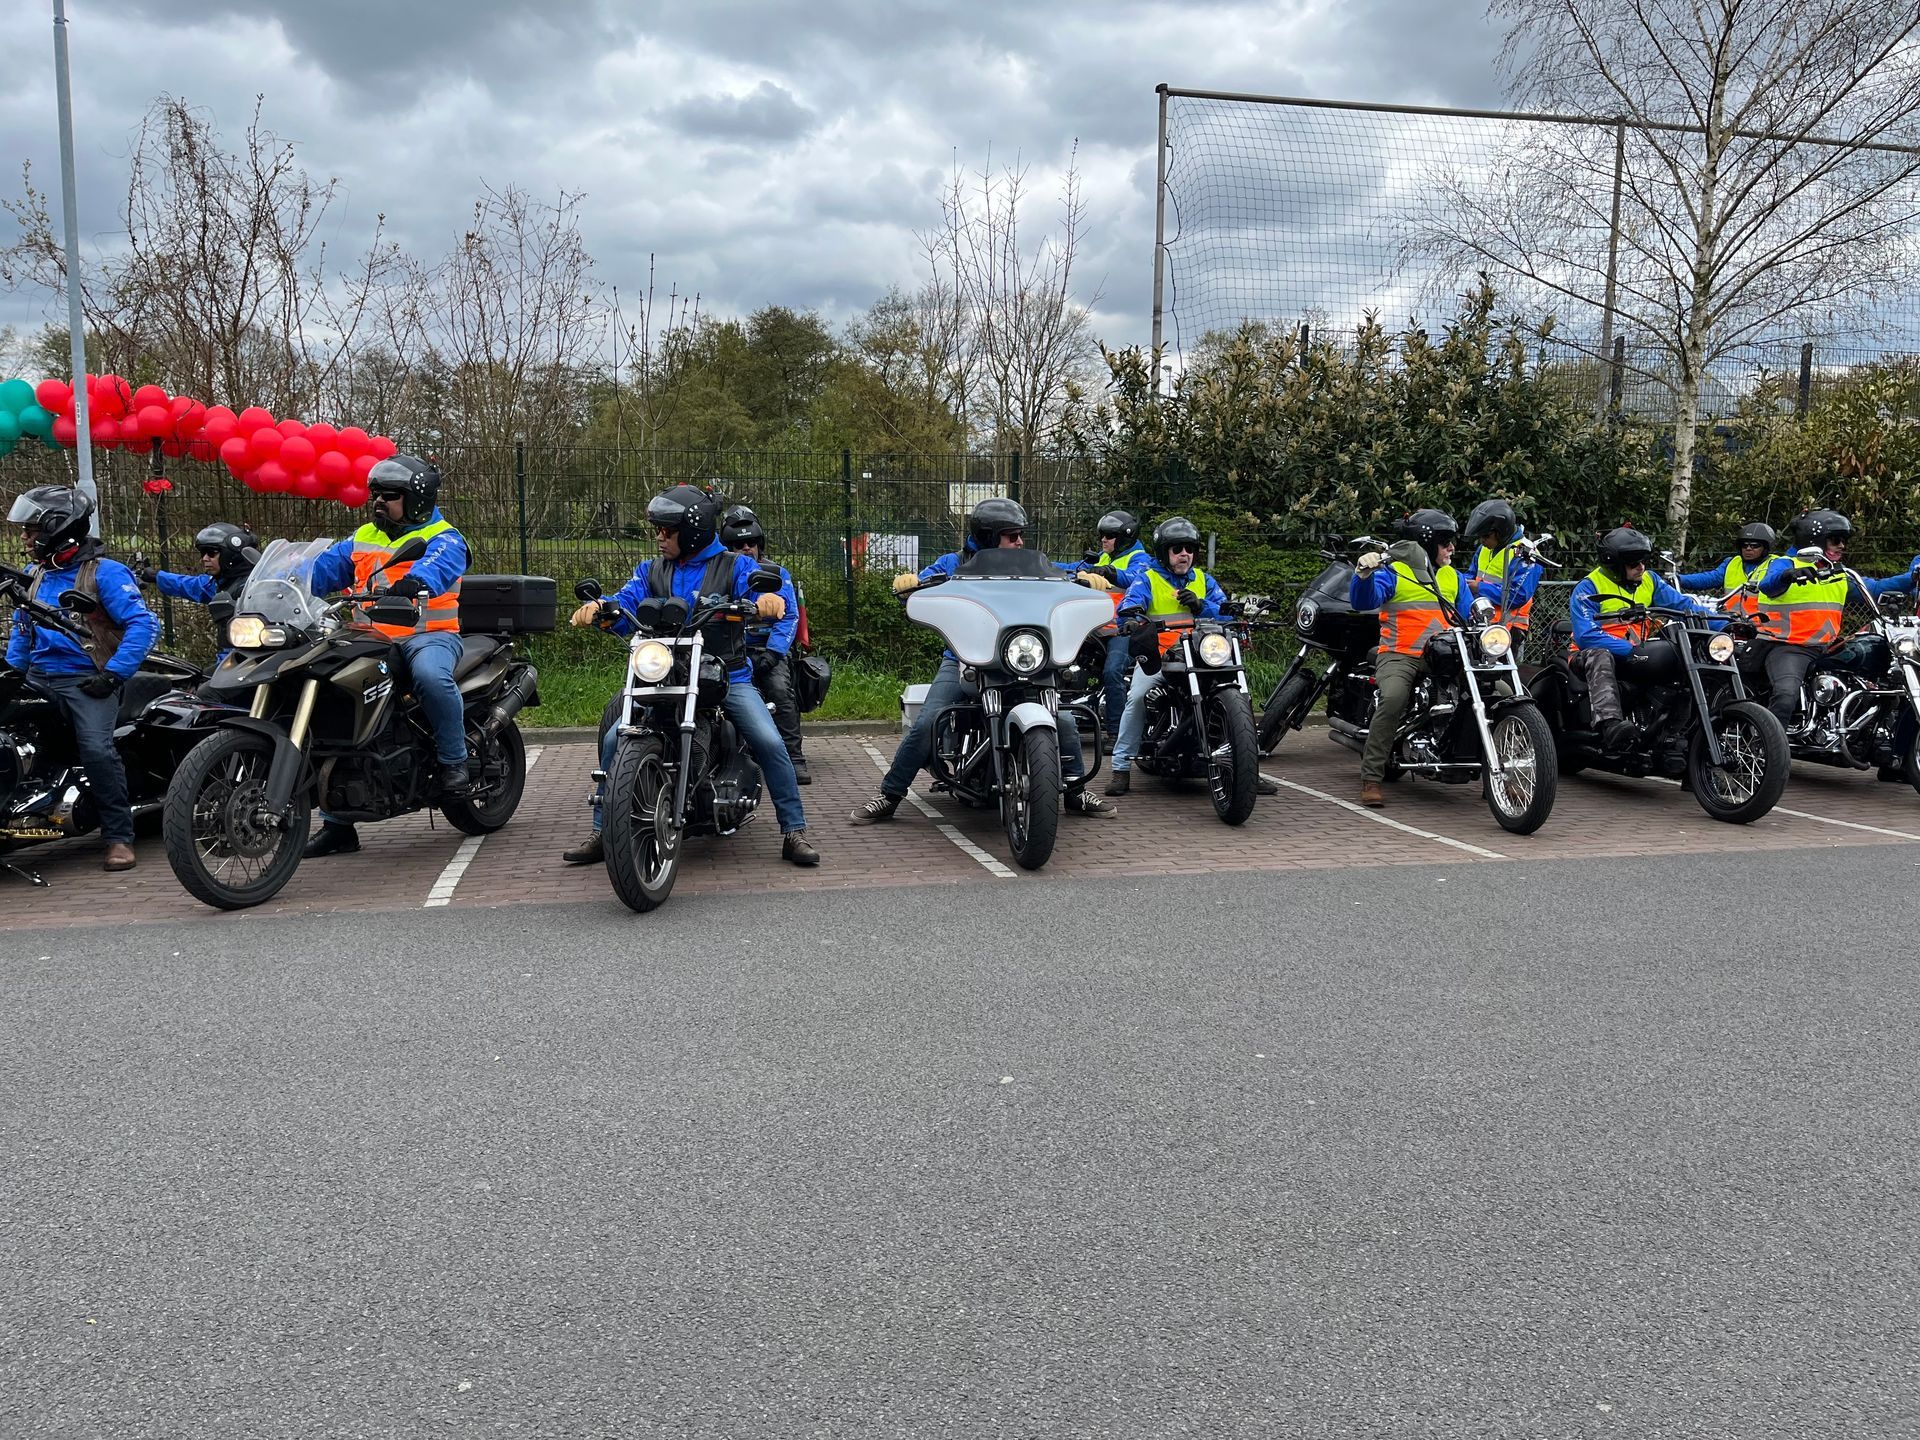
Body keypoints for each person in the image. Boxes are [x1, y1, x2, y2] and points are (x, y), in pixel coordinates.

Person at [563, 484, 819, 867]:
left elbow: (769, 592)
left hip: (726, 674)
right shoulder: (651, 570)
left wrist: (769, 600)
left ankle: (793, 830)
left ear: (694, 531)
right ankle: (604, 830)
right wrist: (601, 608)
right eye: (658, 530)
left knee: (769, 740)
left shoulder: (735, 565)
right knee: (616, 737)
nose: (659, 538)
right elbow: (627, 600)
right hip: (664, 673)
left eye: (667, 531)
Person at [848, 497, 1119, 824]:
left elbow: (1063, 570)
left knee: (1063, 719)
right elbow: (926, 579)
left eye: (1020, 535)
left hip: (1023, 657)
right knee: (929, 720)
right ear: (990, 537)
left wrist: (1086, 576)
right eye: (1011, 535)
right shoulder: (954, 564)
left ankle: (1075, 792)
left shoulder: (1032, 568)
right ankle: (889, 795)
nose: (1019, 542)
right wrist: (911, 584)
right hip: (965, 659)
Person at [303, 456, 471, 859]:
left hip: (427, 636)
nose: (379, 503)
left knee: (431, 678)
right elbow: (322, 570)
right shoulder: (363, 536)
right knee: (328, 694)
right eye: (375, 495)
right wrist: (285, 574)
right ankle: (338, 824)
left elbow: (440, 565)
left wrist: (416, 582)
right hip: (366, 637)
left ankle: (454, 761)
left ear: (416, 499)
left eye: (390, 496)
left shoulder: (444, 536)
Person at [5, 484, 159, 871]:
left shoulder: (105, 573)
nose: (24, 538)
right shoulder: (33, 574)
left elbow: (143, 625)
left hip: (86, 679)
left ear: (58, 529)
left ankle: (119, 837)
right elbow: (23, 632)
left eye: (31, 530)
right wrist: (10, 676)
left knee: (95, 749)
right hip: (38, 676)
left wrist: (112, 676)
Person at [1100, 517, 1276, 799]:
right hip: (1162, 654)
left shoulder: (1203, 580)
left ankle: (1248, 770)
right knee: (1136, 697)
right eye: (1177, 548)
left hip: (1204, 653)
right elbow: (1130, 605)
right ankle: (1121, 768)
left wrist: (1202, 605)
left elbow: (1226, 611)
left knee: (1242, 696)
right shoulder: (1149, 578)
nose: (1185, 554)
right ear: (1163, 553)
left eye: (1190, 549)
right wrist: (1133, 618)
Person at [1347, 509, 1464, 808]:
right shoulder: (1394, 571)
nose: (1451, 548)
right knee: (1394, 698)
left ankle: (1504, 774)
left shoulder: (1453, 575)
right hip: (1402, 654)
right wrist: (1363, 575)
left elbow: (1471, 611)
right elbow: (1364, 602)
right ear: (1426, 543)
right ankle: (1372, 777)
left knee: (1499, 693)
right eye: (1445, 541)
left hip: (1447, 656)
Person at [1746, 508, 1896, 733]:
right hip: (1789, 647)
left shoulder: (1838, 573)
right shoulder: (1785, 564)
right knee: (1786, 695)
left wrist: (1912, 578)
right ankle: (1764, 749)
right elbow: (1768, 585)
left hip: (1827, 648)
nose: (1842, 546)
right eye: (1836, 540)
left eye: (1844, 541)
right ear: (1814, 539)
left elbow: (1875, 588)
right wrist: (1787, 577)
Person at [1567, 525, 1715, 752]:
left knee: (1681, 654)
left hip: (1638, 653)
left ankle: (1677, 730)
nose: (1641, 567)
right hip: (1588, 656)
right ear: (1614, 563)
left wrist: (1725, 625)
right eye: (1634, 563)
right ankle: (1611, 726)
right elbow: (1586, 635)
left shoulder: (1650, 580)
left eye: (1643, 561)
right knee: (1600, 654)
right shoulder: (1589, 587)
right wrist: (1629, 650)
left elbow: (1685, 606)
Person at [719, 504, 810, 785]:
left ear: (760, 544)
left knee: (781, 691)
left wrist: (773, 653)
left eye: (751, 543)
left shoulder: (777, 573)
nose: (746, 548)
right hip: (728, 651)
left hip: (767, 649)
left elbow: (790, 616)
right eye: (738, 544)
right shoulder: (716, 575)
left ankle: (794, 758)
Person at [134, 521, 260, 661]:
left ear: (230, 555)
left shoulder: (258, 585)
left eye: (211, 553)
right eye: (203, 553)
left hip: (253, 657)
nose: (205, 559)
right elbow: (191, 585)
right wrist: (156, 576)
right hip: (232, 660)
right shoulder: (220, 583)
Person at [1085, 510, 1150, 733]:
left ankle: (1115, 732)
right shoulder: (1105, 557)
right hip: (1095, 628)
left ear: (1125, 538)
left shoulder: (1140, 560)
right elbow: (1079, 567)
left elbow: (1133, 577)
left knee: (1113, 671)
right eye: (1102, 535)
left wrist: (1110, 573)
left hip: (1122, 629)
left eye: (1109, 536)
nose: (1103, 540)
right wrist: (1046, 566)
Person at [1459, 499, 1543, 654]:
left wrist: (1479, 587)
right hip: (1480, 623)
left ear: (1501, 531)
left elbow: (1518, 596)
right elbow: (1471, 575)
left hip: (1507, 631)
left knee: (1501, 675)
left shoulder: (1526, 553)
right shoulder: (1484, 549)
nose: (1482, 541)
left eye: (1485, 536)